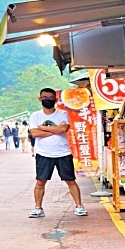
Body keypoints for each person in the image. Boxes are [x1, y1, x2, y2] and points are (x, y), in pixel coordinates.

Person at [28, 88, 86, 218]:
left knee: (70, 180)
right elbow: (34, 133)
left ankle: (79, 206)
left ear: (55, 99)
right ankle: (38, 208)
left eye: (50, 97)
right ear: (40, 99)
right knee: (40, 182)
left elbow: (64, 129)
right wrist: (55, 129)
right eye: (44, 97)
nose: (47, 100)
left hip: (63, 153)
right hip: (43, 154)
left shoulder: (62, 114)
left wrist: (42, 128)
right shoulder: (35, 115)